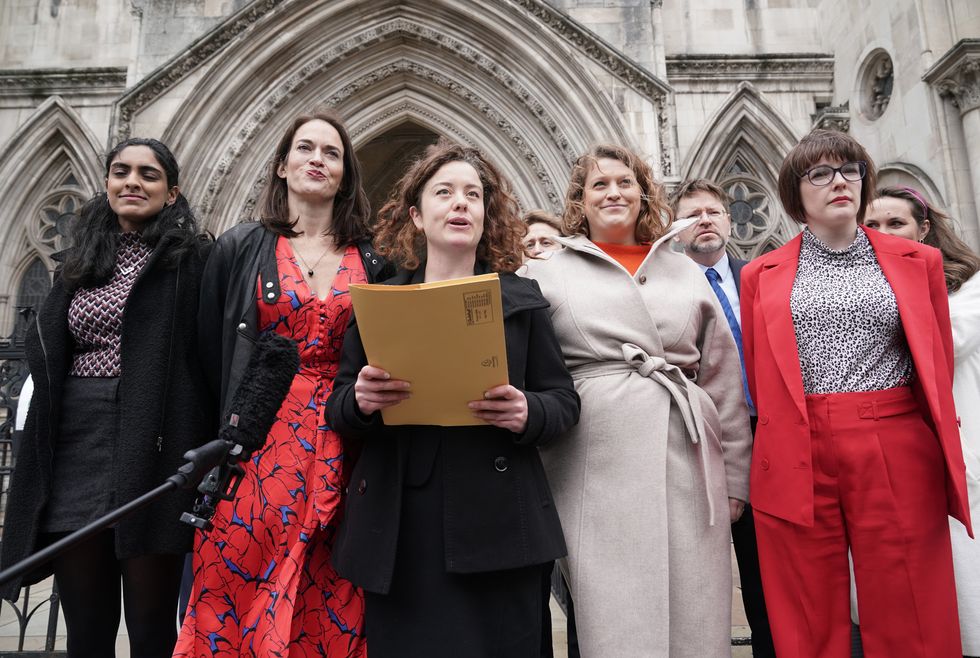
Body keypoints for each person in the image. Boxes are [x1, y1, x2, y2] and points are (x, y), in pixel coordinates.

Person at [326, 140, 579, 658]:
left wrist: (527, 411)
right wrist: (362, 400)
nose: (460, 203)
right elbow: (339, 408)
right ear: (417, 216)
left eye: (473, 194)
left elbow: (564, 402)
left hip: (501, 522)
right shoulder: (380, 302)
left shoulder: (524, 302)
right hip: (403, 526)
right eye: (444, 192)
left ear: (487, 215)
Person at [740, 129, 972, 658]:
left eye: (849, 170)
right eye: (819, 173)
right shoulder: (761, 274)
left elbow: (933, 364)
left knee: (909, 593)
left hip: (893, 437)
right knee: (806, 604)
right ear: (795, 194)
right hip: (800, 443)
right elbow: (760, 374)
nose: (838, 182)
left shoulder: (919, 262)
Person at [523, 144, 752, 657]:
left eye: (625, 182)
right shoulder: (546, 272)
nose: (614, 192)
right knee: (614, 615)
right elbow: (536, 369)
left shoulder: (685, 270)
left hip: (687, 453)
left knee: (695, 603)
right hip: (591, 461)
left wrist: (735, 475)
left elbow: (721, 377)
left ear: (642, 193)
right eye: (599, 184)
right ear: (580, 200)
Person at [175, 108, 389, 657]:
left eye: (332, 153)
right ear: (281, 166)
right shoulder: (241, 247)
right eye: (305, 148)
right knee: (239, 581)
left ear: (345, 174)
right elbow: (208, 355)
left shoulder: (373, 258)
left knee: (333, 589)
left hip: (345, 441)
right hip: (258, 444)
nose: (318, 159)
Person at [0, 138, 211, 658]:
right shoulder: (79, 262)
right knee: (87, 627)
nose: (132, 182)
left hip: (152, 446)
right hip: (75, 446)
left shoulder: (194, 261)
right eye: (121, 171)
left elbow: (208, 353)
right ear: (108, 182)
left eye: (148, 174)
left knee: (150, 629)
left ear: (172, 191)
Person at [863, 186, 980, 657]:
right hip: (890, 455)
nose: (884, 234)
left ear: (925, 230)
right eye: (873, 226)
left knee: (966, 590)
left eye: (897, 224)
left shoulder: (969, 288)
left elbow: (943, 341)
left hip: (960, 447)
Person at [672, 178, 776, 658]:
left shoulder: (763, 277)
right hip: (696, 441)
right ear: (675, 228)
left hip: (766, 436)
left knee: (767, 576)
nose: (705, 220)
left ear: (730, 221)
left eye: (713, 212)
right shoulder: (666, 286)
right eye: (692, 214)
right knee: (700, 575)